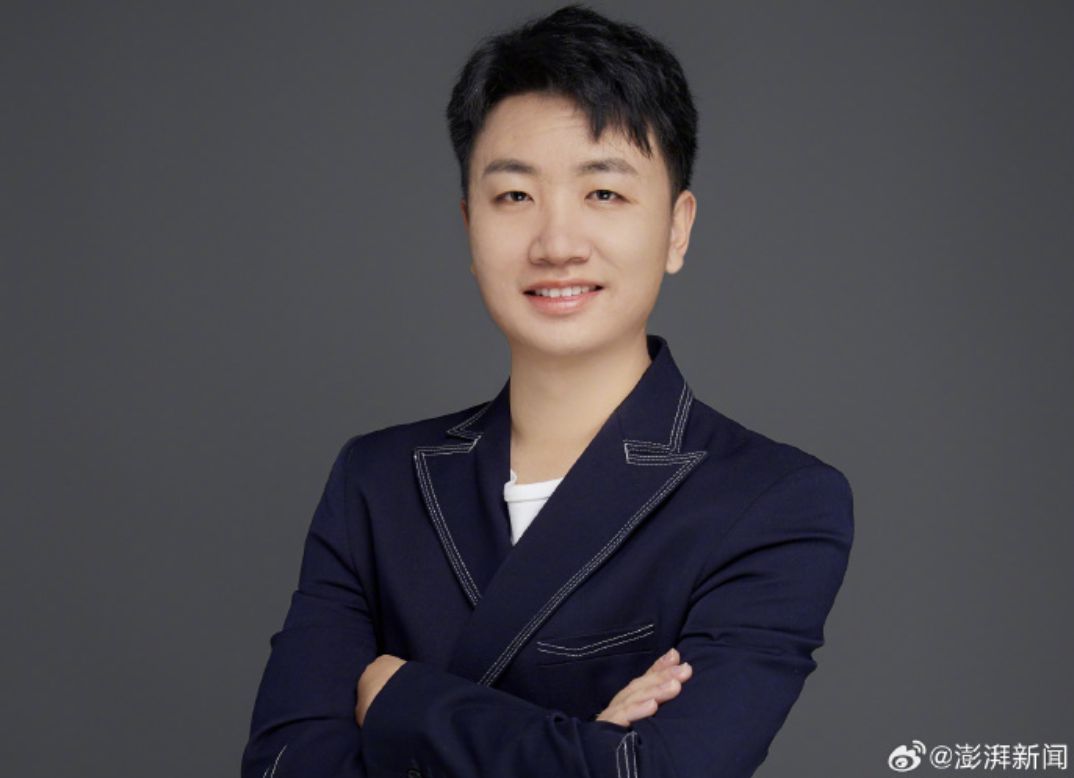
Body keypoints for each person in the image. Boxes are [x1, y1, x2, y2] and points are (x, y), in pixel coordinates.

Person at [241, 5, 854, 777]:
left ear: (677, 229)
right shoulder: (375, 482)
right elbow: (283, 766)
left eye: (604, 194)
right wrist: (583, 746)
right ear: (469, 225)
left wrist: (397, 696)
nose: (558, 244)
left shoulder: (772, 501)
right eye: (514, 196)